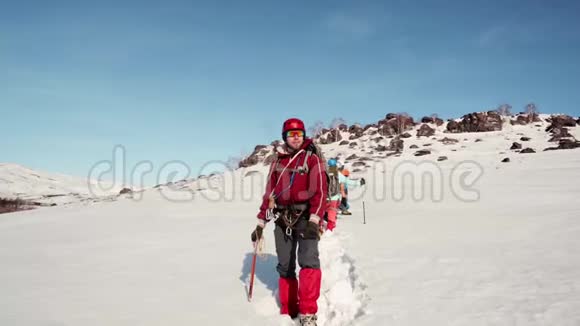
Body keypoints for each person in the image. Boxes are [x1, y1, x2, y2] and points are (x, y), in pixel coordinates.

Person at [250, 118, 327, 326]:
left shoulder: (311, 160)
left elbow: (320, 192)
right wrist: (260, 224)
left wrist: (315, 220)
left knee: (309, 261)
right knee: (285, 266)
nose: (296, 138)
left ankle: (308, 313)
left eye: (299, 134)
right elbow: (269, 195)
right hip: (282, 219)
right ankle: (288, 308)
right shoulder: (277, 162)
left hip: (306, 218)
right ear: (285, 137)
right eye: (291, 135)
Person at [324, 158, 341, 231]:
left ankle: (320, 226)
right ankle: (330, 227)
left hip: (325, 196)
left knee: (322, 211)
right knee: (332, 211)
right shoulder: (337, 173)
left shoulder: (324, 172)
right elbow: (347, 181)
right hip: (334, 197)